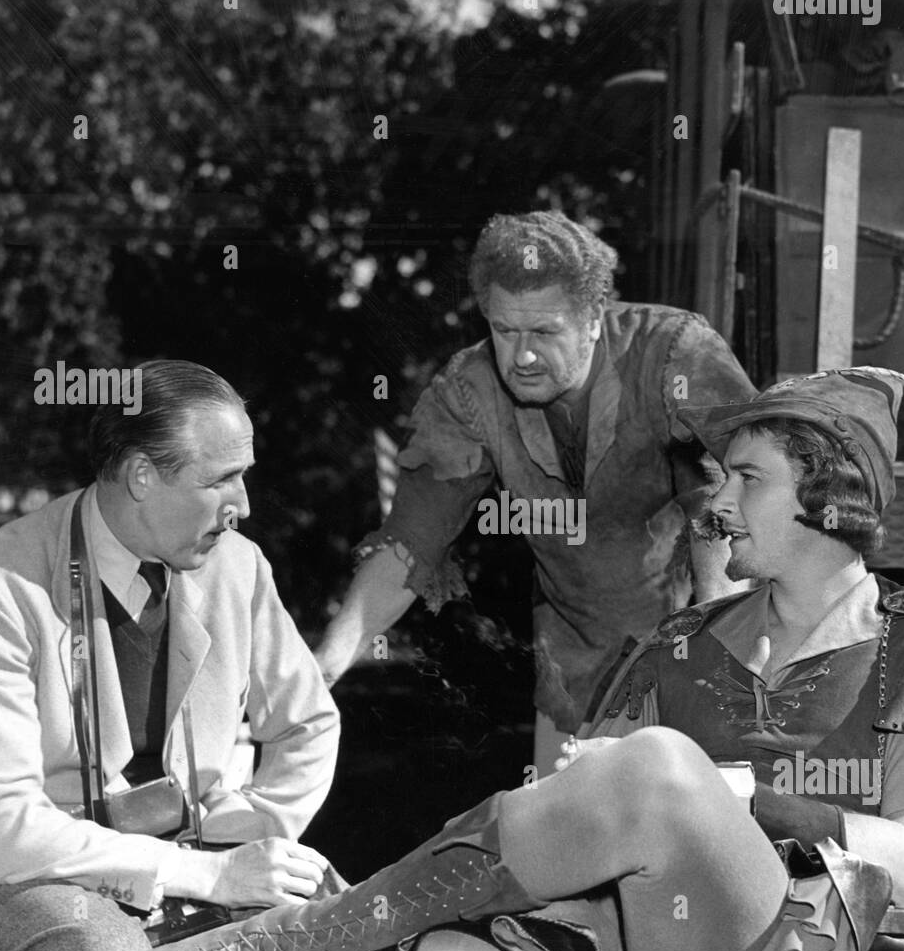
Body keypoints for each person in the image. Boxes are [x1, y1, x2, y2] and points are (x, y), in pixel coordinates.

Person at [61, 367, 904, 951]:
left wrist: (744, 796)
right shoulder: (675, 648)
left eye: (749, 479)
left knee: (663, 770)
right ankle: (286, 949)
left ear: (833, 499)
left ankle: (282, 950)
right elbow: (576, 812)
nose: (714, 506)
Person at [0, 361, 373, 951]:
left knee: (334, 946)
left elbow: (308, 722)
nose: (245, 504)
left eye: (243, 474)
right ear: (143, 477)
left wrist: (247, 836)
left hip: (188, 866)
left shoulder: (239, 567)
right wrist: (205, 873)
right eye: (221, 480)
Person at [317, 210, 756, 774]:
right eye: (504, 331)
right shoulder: (466, 393)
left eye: (545, 333)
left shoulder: (675, 353)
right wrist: (325, 665)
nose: (521, 356)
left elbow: (731, 497)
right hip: (574, 661)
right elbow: (409, 545)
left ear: (594, 318)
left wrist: (713, 654)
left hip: (714, 629)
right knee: (574, 842)